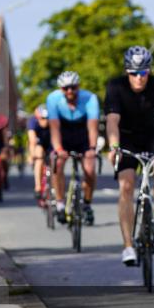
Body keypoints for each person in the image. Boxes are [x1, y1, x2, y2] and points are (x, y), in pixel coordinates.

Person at [105, 46, 154, 266]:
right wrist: (114, 146)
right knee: (126, 187)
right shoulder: (115, 86)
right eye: (133, 73)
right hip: (126, 138)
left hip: (152, 136)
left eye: (143, 73)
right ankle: (128, 246)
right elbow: (112, 121)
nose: (139, 78)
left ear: (149, 71)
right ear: (127, 72)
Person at [46, 71, 100, 225]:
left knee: (89, 169)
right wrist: (59, 149)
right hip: (63, 136)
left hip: (83, 136)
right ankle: (61, 202)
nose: (70, 91)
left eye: (73, 87)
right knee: (57, 164)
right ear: (61, 89)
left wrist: (92, 147)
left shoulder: (90, 98)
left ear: (79, 86)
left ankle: (87, 203)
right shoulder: (53, 99)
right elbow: (54, 127)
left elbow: (92, 126)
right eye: (65, 88)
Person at [27, 105, 52, 205]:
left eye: (47, 118)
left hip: (50, 143)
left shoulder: (52, 122)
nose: (45, 121)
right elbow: (32, 140)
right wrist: (32, 155)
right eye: (42, 119)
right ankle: (37, 186)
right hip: (39, 143)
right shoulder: (33, 122)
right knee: (39, 157)